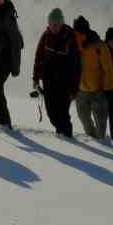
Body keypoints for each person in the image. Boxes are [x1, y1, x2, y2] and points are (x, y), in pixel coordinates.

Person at [33, 9, 81, 137]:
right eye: (52, 24)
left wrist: (74, 89)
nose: (54, 27)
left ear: (62, 23)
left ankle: (66, 136)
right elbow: (39, 57)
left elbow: (76, 65)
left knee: (63, 112)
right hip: (48, 80)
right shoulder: (46, 36)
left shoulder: (70, 37)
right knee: (51, 113)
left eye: (57, 24)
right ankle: (61, 133)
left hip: (65, 82)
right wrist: (36, 78)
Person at [72, 16, 113, 139]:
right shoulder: (74, 46)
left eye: (80, 33)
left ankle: (101, 142)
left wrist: (108, 88)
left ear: (86, 31)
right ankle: (93, 140)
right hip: (81, 91)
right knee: (84, 120)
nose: (78, 36)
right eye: (76, 33)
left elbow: (108, 69)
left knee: (101, 126)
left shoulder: (99, 46)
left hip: (99, 91)